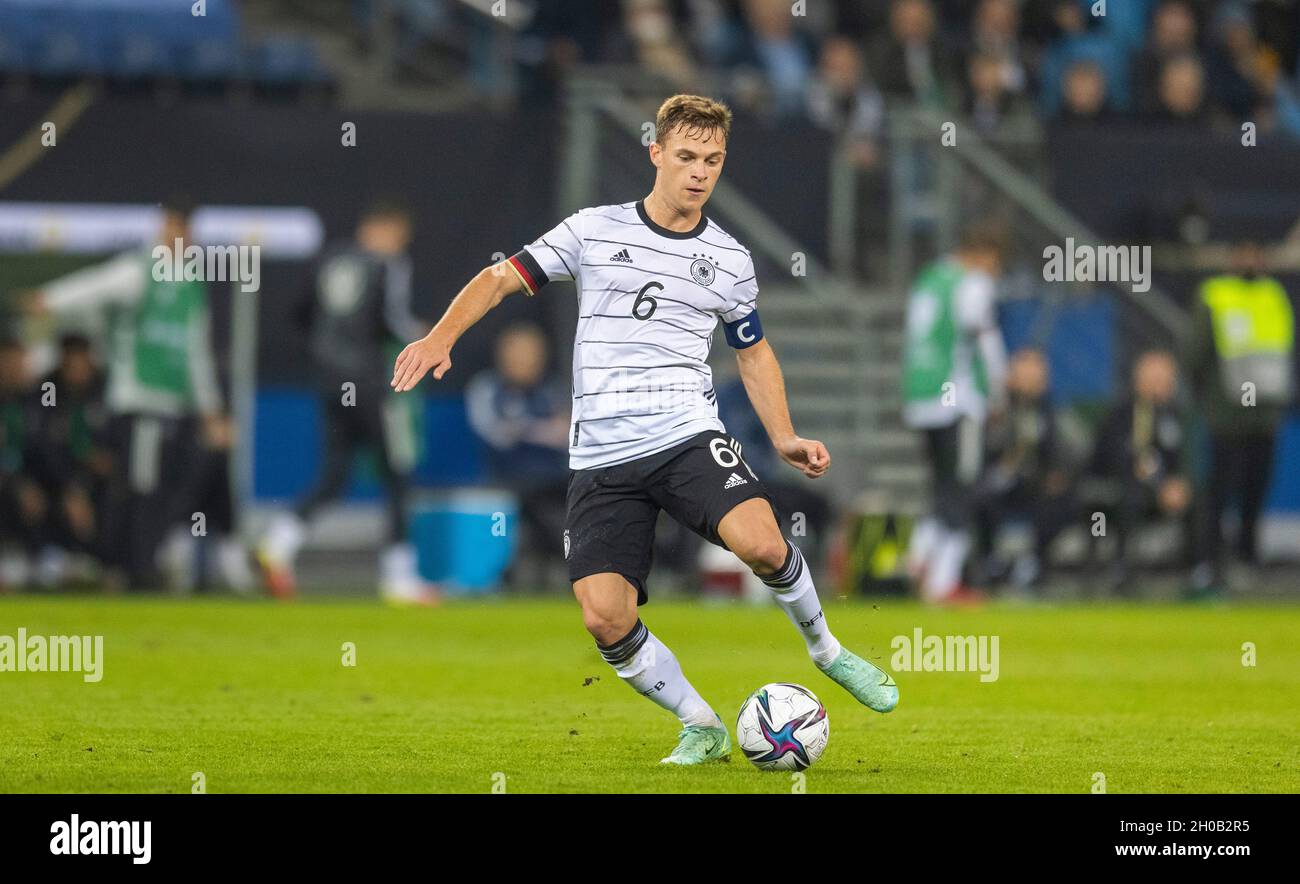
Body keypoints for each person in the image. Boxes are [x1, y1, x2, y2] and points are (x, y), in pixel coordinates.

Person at [390, 94, 898, 766]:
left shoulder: (729, 259)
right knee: (604, 616)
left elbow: (753, 350)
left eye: (712, 160)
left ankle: (827, 650)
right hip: (602, 456)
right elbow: (500, 278)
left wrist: (782, 435)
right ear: (655, 152)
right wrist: (440, 335)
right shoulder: (592, 231)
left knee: (762, 542)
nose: (699, 171)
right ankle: (700, 722)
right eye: (686, 156)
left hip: (685, 433)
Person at [23, 197, 225, 590]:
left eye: (183, 230)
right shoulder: (140, 270)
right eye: (171, 227)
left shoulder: (191, 286)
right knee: (140, 485)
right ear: (161, 228)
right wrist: (50, 299)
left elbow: (197, 352)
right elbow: (94, 287)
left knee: (161, 486)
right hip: (137, 403)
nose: (176, 236)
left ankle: (138, 562)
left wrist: (210, 407)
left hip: (172, 405)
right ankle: (133, 568)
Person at [257, 198, 438, 605]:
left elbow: (300, 313)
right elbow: (394, 319)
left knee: (335, 474)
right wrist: (426, 335)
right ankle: (398, 578)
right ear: (386, 229)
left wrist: (325, 357)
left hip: (329, 382)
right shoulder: (388, 264)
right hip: (372, 383)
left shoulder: (328, 260)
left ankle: (277, 542)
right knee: (398, 470)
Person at [901, 222, 1008, 603]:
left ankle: (918, 553)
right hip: (957, 398)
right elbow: (982, 335)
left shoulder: (929, 278)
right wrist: (998, 389)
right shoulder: (972, 283)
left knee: (943, 483)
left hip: (921, 395)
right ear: (985, 256)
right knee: (963, 486)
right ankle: (942, 582)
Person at [1187, 241, 1294, 593]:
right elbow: (1195, 355)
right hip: (1225, 417)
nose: (1250, 259)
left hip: (1263, 419)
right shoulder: (1216, 295)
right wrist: (1209, 402)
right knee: (1218, 494)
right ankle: (1210, 562)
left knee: (1254, 494)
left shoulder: (1274, 296)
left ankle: (1246, 560)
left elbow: (1284, 353)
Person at [465, 322, 570, 584]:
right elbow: (496, 433)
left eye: (533, 353)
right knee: (541, 513)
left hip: (554, 478)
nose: (527, 361)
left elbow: (571, 432)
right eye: (520, 353)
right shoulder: (487, 388)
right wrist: (539, 431)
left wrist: (530, 430)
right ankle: (509, 572)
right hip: (507, 480)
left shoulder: (553, 389)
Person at [1088, 350, 1194, 594]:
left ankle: (1199, 572)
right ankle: (1122, 567)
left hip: (1164, 489)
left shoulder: (1177, 414)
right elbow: (1106, 455)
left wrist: (1177, 483)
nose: (1158, 385)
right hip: (1123, 486)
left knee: (1201, 501)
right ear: (1138, 379)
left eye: (1164, 378)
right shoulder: (1120, 411)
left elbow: (1184, 457)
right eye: (1153, 378)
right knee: (1128, 498)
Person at [973, 347, 1075, 593]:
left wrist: (1056, 473)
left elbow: (1057, 450)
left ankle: (1032, 563)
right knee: (981, 496)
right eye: (1025, 375)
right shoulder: (996, 406)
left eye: (1037, 376)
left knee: (1065, 499)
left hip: (1035, 483)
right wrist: (1002, 466)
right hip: (1001, 480)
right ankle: (990, 562)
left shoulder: (1048, 409)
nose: (1032, 382)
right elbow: (984, 448)